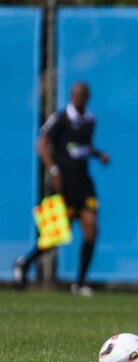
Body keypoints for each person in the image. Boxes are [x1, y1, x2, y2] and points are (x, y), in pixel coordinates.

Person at [13, 81, 110, 297]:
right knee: (54, 237)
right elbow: (41, 144)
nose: (78, 97)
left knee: (91, 228)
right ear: (71, 96)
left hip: (83, 183)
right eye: (75, 94)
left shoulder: (90, 120)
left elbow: (82, 147)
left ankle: (80, 282)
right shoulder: (60, 118)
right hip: (62, 184)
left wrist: (98, 155)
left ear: (88, 96)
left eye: (82, 94)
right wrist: (54, 171)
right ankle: (24, 263)